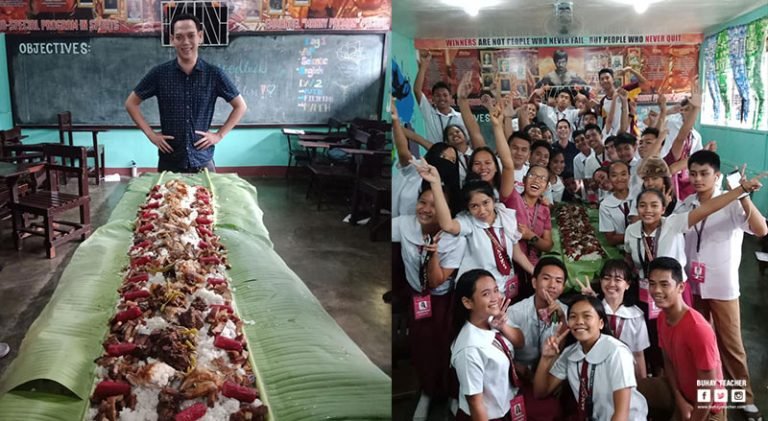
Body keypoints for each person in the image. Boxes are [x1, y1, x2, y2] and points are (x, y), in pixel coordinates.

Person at [675, 150, 768, 421]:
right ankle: (703, 396)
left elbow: (761, 230)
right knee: (701, 344)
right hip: (692, 287)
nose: (698, 179)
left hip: (723, 287)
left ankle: (744, 398)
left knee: (731, 345)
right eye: (693, 173)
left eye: (704, 174)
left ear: (717, 176)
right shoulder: (687, 204)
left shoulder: (732, 202)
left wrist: (743, 196)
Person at [624, 174, 764, 319]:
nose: (648, 210)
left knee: (679, 333)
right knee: (651, 335)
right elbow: (629, 259)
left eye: (654, 205)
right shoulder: (631, 230)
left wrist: (740, 190)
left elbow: (708, 208)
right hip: (646, 291)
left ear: (663, 208)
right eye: (642, 205)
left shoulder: (673, 224)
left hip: (675, 293)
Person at [125, 14, 247, 173]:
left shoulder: (214, 74)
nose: (186, 42)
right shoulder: (159, 74)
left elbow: (240, 106)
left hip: (203, 161)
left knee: (207, 198)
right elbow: (131, 103)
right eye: (179, 37)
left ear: (200, 37)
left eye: (191, 35)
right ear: (172, 40)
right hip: (170, 161)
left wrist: (218, 136)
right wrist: (152, 136)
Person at [393, 185, 467, 421]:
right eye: (422, 202)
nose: (426, 209)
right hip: (417, 298)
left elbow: (435, 281)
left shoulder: (456, 239)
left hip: (443, 300)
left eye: (435, 205)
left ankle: (452, 395)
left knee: (447, 348)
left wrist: (433, 254)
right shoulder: (404, 224)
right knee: (422, 348)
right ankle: (427, 393)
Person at [418, 164, 535, 298]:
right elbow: (448, 225)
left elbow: (517, 254)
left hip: (503, 289)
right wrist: (435, 184)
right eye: (474, 206)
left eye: (486, 203)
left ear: (493, 199)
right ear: (468, 208)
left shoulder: (505, 217)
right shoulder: (468, 222)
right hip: (477, 293)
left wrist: (535, 271)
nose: (482, 210)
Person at [534, 295, 649, 420]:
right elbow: (540, 392)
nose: (579, 321)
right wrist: (546, 358)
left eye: (587, 316)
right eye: (573, 317)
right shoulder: (570, 353)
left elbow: (621, 414)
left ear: (601, 323)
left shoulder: (617, 352)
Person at [638, 257, 725, 421]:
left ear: (681, 287)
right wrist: (680, 401)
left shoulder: (697, 329)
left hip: (708, 408)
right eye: (652, 283)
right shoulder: (663, 317)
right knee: (637, 389)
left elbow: (709, 389)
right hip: (682, 394)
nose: (656, 290)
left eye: (664, 284)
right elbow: (669, 363)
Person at [451, 269, 525, 421]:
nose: (495, 298)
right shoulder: (469, 350)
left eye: (496, 290)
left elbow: (520, 342)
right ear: (467, 302)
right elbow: (475, 404)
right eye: (486, 294)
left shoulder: (491, 319)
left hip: (506, 405)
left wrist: (503, 326)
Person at [506, 257, 569, 419]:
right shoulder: (514, 313)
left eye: (558, 281)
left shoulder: (567, 313)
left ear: (563, 287)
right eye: (546, 278)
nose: (552, 285)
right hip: (518, 376)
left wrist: (562, 320)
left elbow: (562, 352)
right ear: (534, 282)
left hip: (548, 376)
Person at [392, 98, 461, 219]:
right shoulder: (417, 167)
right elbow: (403, 151)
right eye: (443, 156)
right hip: (402, 224)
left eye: (451, 160)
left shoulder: (451, 188)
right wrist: (395, 120)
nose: (446, 161)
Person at [414, 50, 468, 144]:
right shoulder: (429, 113)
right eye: (437, 96)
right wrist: (423, 66)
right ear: (433, 99)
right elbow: (417, 90)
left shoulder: (461, 117)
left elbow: (467, 139)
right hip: (435, 156)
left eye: (445, 95)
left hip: (455, 156)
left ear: (451, 98)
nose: (442, 98)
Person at [599, 161, 633, 246]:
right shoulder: (605, 205)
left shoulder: (640, 197)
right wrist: (638, 235)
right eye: (614, 175)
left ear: (629, 176)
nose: (619, 179)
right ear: (609, 178)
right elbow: (611, 239)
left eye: (623, 174)